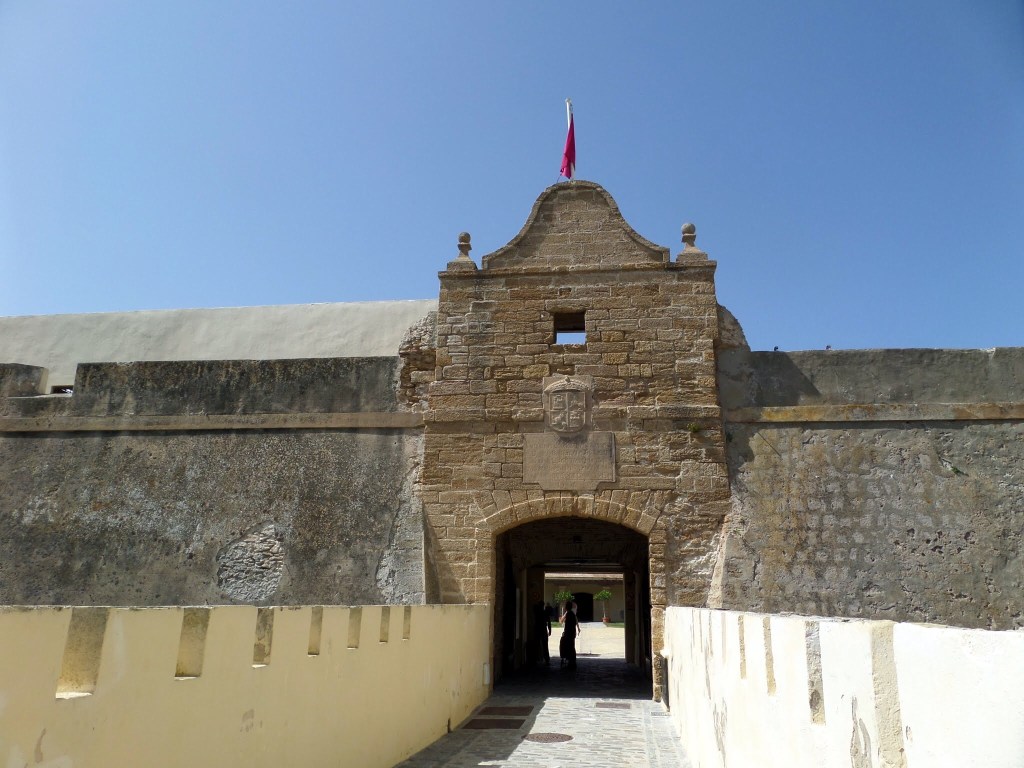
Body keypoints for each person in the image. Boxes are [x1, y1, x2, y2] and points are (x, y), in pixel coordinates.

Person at [559, 600, 581, 669]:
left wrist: (563, 614)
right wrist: (578, 628)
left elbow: (561, 621)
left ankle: (569, 660)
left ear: (566, 607)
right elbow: (575, 621)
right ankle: (572, 661)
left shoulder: (568, 614)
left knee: (567, 646)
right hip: (572, 633)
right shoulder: (572, 613)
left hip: (568, 633)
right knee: (571, 647)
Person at [532, 600, 551, 664]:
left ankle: (535, 659)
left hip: (537, 629)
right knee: (545, 645)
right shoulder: (545, 612)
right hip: (543, 629)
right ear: (543, 605)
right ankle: (547, 659)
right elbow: (549, 622)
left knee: (536, 645)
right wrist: (550, 630)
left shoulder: (537, 612)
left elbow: (533, 607)